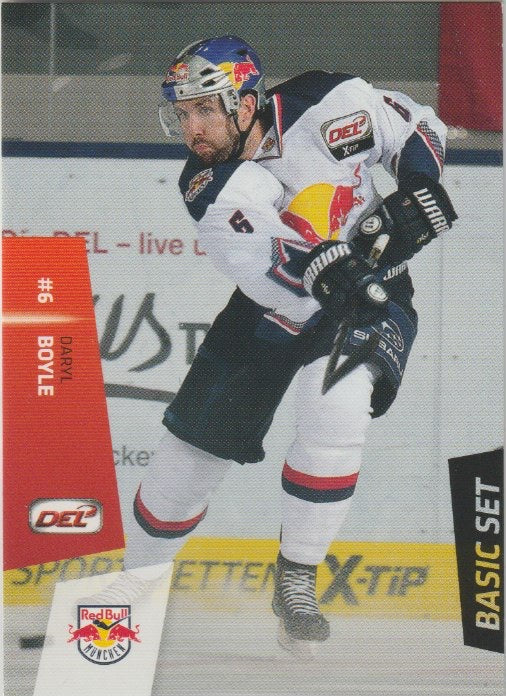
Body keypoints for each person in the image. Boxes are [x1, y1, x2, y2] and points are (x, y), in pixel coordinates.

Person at [117, 35, 456, 653]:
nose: (191, 128)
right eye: (183, 113)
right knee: (185, 467)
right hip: (272, 308)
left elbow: (415, 126)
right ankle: (132, 592)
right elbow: (274, 264)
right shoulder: (206, 182)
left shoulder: (329, 100)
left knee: (338, 407)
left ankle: (296, 580)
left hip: (372, 295)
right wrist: (332, 262)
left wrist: (418, 186)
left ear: (246, 102)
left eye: (204, 109)